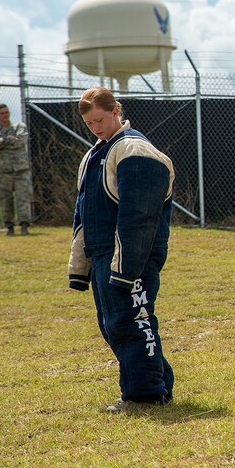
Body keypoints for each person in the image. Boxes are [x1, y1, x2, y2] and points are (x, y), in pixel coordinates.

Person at [67, 87, 174, 413]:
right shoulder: (94, 156)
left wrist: (127, 267)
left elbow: (138, 217)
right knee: (115, 324)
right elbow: (83, 215)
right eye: (88, 123)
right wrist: (79, 266)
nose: (95, 127)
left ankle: (144, 395)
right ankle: (158, 386)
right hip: (102, 255)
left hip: (130, 255)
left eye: (99, 119)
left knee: (132, 321)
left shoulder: (135, 151)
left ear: (116, 110)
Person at [0, 103, 32, 235]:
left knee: (23, 198)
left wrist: (3, 143)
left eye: (7, 112)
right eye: (2, 113)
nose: (5, 115)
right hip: (3, 171)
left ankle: (24, 225)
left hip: (20, 169)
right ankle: (9, 227)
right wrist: (9, 140)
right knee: (5, 199)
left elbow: (21, 141)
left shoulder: (19, 127)